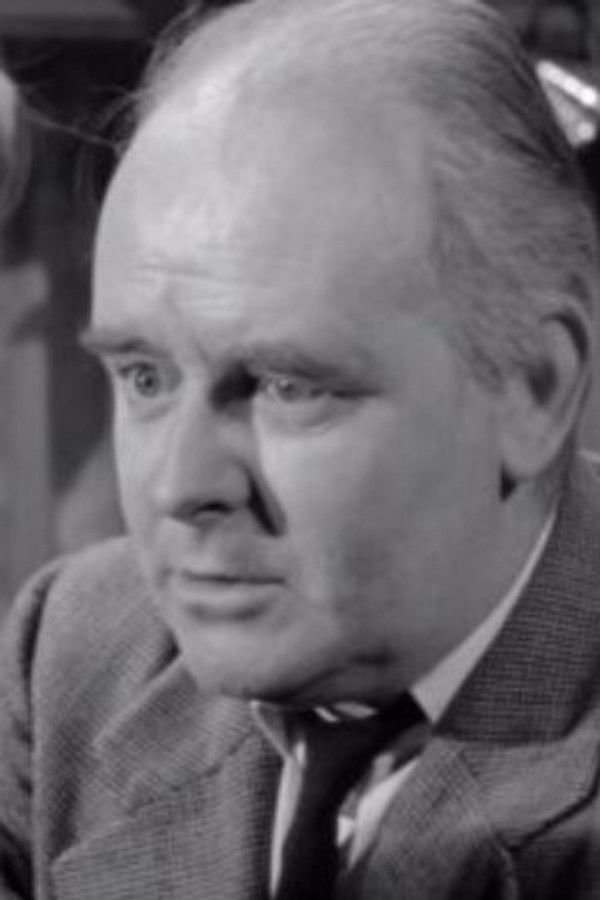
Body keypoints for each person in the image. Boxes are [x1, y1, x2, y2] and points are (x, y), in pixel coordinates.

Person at [2, 0, 600, 896]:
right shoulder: (77, 649)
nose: (179, 487)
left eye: (285, 387)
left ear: (534, 388)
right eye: (145, 377)